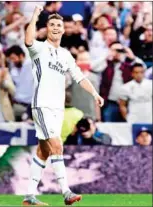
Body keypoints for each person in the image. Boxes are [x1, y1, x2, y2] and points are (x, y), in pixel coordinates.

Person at [23, 6, 104, 206]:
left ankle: (29, 197)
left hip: (58, 108)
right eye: (52, 25)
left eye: (59, 25)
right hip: (42, 105)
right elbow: (27, 40)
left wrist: (94, 93)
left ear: (63, 29)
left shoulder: (66, 55)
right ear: (47, 28)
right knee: (57, 145)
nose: (56, 28)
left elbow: (79, 76)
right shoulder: (40, 48)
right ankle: (66, 192)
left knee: (43, 151)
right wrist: (34, 18)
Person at [5, 45, 34, 121]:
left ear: (21, 56)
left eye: (14, 58)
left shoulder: (32, 65)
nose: (12, 61)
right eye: (10, 59)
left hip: (31, 106)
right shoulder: (13, 71)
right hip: (17, 105)